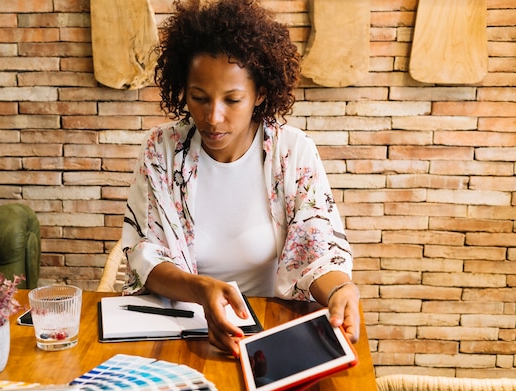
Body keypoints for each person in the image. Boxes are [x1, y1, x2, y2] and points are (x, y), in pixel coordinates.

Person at [120, 0, 360, 357]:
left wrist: (341, 290)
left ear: (260, 94)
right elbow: (144, 256)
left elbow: (318, 251)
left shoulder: (292, 153)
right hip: (181, 332)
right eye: (199, 97)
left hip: (270, 336)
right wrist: (201, 290)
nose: (213, 117)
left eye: (232, 100)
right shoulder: (162, 150)